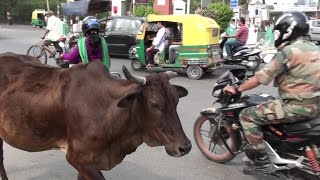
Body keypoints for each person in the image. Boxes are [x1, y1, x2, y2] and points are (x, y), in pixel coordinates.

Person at [223, 11, 320, 174]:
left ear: (288, 31)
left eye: (279, 31)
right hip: (316, 105)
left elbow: (261, 77)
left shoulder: (288, 52)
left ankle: (261, 161)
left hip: (296, 107)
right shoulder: (314, 48)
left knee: (247, 115)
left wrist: (237, 88)